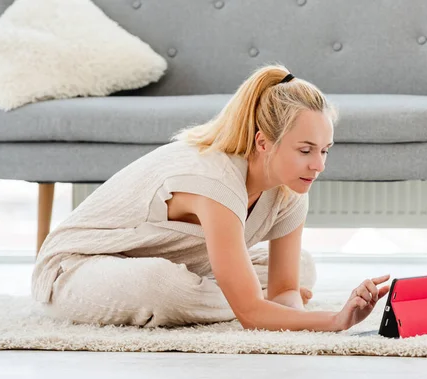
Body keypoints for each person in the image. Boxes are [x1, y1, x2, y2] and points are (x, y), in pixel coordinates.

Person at [31, 64, 391, 332]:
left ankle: (227, 292)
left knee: (302, 268)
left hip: (180, 263)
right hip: (74, 271)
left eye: (325, 151)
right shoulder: (215, 181)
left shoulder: (290, 189)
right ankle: (227, 293)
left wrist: (289, 310)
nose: (319, 165)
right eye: (305, 150)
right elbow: (251, 316)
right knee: (166, 285)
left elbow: (284, 290)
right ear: (263, 142)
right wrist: (331, 321)